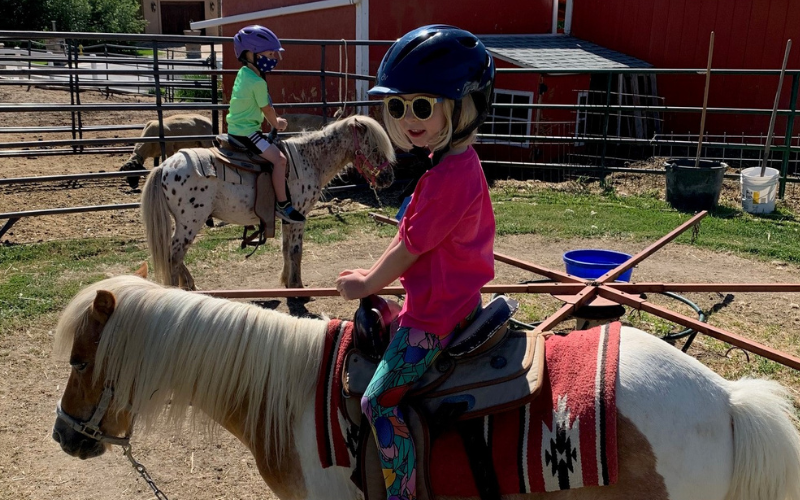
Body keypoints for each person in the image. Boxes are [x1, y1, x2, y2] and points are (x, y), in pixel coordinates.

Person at [336, 24, 496, 500]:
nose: (409, 119)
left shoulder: (449, 177)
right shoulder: (449, 165)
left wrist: (367, 285)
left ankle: (402, 491)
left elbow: (410, 248)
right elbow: (408, 236)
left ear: (461, 107)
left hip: (434, 315)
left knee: (376, 402)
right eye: (399, 106)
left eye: (423, 106)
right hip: (450, 297)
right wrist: (370, 277)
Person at [227, 25, 305, 223]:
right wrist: (277, 123)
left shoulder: (244, 73)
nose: (273, 59)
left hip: (236, 129)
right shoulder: (258, 82)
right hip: (247, 133)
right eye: (270, 54)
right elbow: (267, 110)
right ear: (251, 54)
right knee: (280, 160)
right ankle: (283, 205)